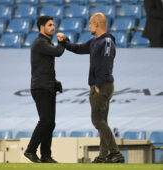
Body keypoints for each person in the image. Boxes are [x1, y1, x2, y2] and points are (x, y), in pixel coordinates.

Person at [57, 13, 124, 163]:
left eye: (90, 24)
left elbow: (107, 63)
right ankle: (103, 156)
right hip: (100, 85)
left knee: (97, 120)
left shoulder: (106, 41)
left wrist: (99, 85)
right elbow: (78, 48)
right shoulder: (95, 42)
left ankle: (115, 153)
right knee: (102, 122)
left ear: (97, 24)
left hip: (102, 86)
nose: (89, 26)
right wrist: (64, 42)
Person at [24, 16, 65, 163]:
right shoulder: (40, 43)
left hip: (47, 86)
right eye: (50, 25)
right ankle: (30, 150)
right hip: (41, 88)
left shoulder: (45, 42)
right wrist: (63, 42)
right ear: (42, 27)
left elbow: (45, 67)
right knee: (45, 121)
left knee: (50, 122)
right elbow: (58, 52)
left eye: (53, 25)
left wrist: (54, 82)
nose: (53, 27)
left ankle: (46, 155)